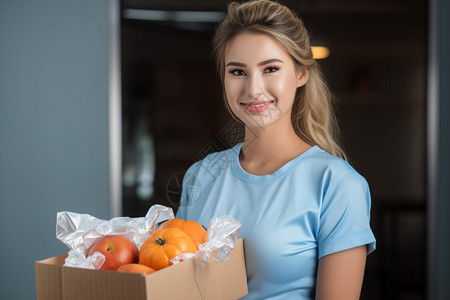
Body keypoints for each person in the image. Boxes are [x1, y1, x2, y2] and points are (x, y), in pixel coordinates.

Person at [176, 0, 376, 299]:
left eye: (270, 68)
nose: (253, 89)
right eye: (238, 72)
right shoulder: (201, 175)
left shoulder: (337, 184)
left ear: (301, 74)